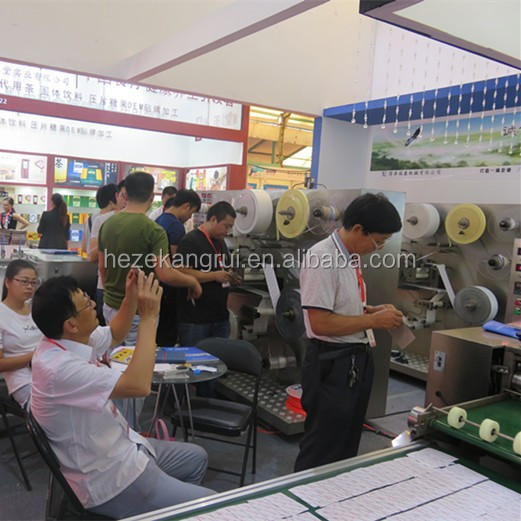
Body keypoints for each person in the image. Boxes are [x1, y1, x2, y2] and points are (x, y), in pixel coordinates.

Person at [30, 271, 214, 518]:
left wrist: (131, 297)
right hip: (110, 479)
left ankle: (167, 509)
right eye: (86, 303)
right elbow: (139, 386)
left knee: (197, 458)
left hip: (122, 447)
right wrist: (149, 318)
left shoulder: (67, 338)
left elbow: (116, 333)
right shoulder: (58, 368)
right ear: (70, 324)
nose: (93, 304)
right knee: (216, 506)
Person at [294, 193, 404, 472]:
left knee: (347, 439)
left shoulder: (350, 256)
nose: (379, 248)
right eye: (378, 241)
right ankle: (305, 495)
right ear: (358, 229)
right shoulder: (322, 258)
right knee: (323, 445)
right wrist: (374, 321)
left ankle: (337, 494)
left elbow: (339, 305)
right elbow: (321, 324)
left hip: (355, 358)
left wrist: (370, 309)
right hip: (332, 364)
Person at [98, 172, 201, 345]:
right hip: (139, 310)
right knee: (136, 357)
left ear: (126, 195)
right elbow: (165, 273)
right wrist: (192, 281)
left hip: (110, 306)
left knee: (113, 354)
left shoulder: (107, 224)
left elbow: (102, 267)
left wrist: (113, 294)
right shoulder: (154, 230)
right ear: (152, 197)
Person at [176, 201, 240, 395]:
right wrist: (214, 276)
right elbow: (181, 270)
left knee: (212, 367)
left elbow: (222, 267)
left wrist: (231, 276)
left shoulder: (221, 243)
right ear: (213, 219)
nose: (228, 231)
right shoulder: (191, 241)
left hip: (219, 316)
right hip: (196, 318)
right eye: (226, 226)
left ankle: (205, 402)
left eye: (230, 227)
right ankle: (178, 405)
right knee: (187, 367)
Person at [155, 189, 201, 346]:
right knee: (168, 336)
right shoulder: (176, 226)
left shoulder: (159, 219)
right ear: (186, 206)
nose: (189, 217)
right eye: (191, 213)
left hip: (157, 284)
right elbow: (177, 264)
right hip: (170, 289)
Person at [0, 260, 40, 407]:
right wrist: (33, 356)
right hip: (23, 379)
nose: (29, 287)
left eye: (33, 282)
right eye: (24, 281)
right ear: (7, 282)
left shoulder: (36, 309)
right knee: (51, 408)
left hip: (48, 369)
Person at [83, 183, 118, 325]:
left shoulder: (89, 219)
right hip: (105, 275)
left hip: (92, 273)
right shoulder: (107, 220)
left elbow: (84, 247)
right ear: (112, 201)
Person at [82, 184, 117, 259]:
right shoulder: (112, 219)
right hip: (106, 262)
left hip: (89, 263)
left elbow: (84, 248)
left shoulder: (89, 219)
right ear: (111, 203)